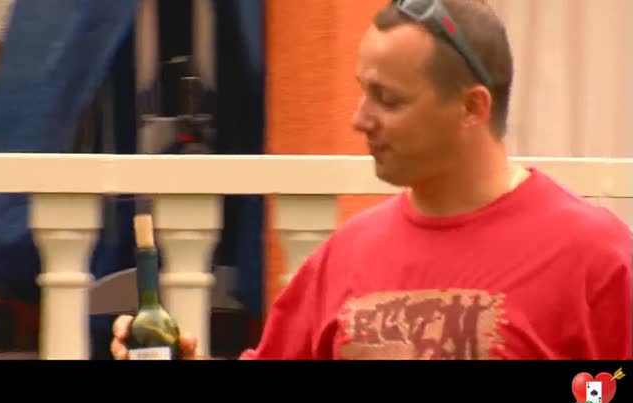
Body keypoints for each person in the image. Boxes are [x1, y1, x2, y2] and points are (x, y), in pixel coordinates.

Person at [111, 0, 632, 360]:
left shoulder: (593, 256)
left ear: (472, 107)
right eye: (364, 91)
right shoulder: (344, 257)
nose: (359, 119)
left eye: (388, 99)